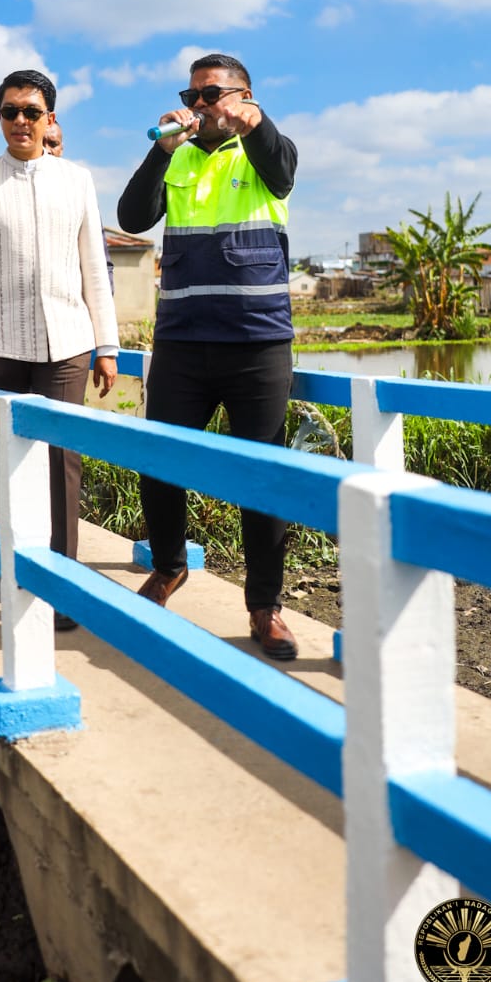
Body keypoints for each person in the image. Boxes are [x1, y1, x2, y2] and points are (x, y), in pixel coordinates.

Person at [116, 51, 299, 660]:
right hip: (182, 339)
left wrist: (253, 124)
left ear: (244, 96)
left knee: (263, 478)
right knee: (161, 459)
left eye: (211, 94)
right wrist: (161, 150)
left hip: (257, 341)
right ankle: (170, 567)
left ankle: (264, 607)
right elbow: (131, 217)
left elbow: (283, 169)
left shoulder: (266, 150)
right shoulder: (179, 157)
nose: (198, 105)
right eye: (191, 95)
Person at [0, 71, 119, 617]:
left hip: (67, 340)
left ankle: (62, 582)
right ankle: (2, 568)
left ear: (50, 119)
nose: (21, 121)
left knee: (63, 459)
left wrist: (107, 344)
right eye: (10, 111)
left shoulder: (77, 180)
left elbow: (94, 267)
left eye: (32, 111)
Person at [43, 121, 114, 293]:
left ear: (62, 148)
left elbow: (101, 261)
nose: (47, 150)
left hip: (71, 308)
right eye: (41, 143)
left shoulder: (78, 191)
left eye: (53, 144)